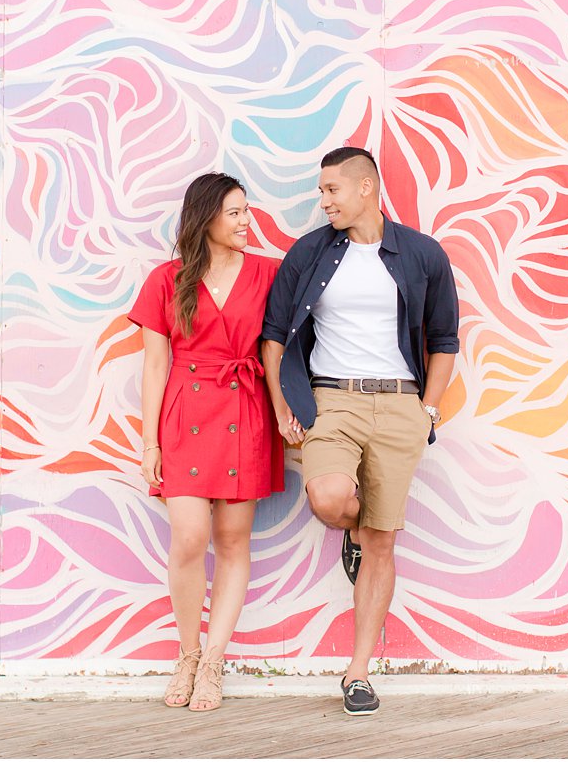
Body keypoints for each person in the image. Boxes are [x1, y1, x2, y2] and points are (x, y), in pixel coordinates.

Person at [260, 146, 459, 716]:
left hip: (400, 406)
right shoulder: (311, 253)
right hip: (332, 400)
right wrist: (281, 404)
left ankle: (358, 673)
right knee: (329, 497)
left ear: (366, 188)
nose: (323, 202)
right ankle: (351, 531)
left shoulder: (421, 254)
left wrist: (427, 410)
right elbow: (274, 336)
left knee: (382, 540)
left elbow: (444, 340)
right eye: (322, 193)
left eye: (331, 191)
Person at [128, 172, 285, 712]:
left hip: (245, 407)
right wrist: (150, 444)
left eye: (247, 210)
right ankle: (188, 653)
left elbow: (286, 348)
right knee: (190, 537)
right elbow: (154, 365)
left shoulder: (269, 273)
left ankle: (215, 661)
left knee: (234, 540)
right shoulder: (166, 280)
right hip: (186, 410)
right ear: (205, 219)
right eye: (235, 213)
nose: (247, 221)